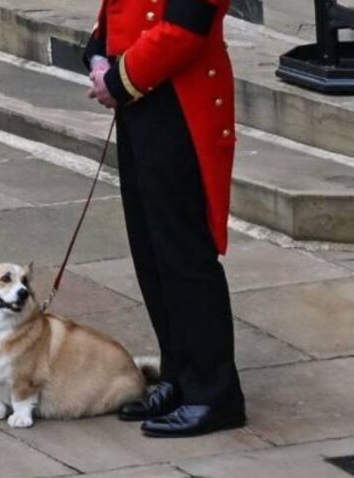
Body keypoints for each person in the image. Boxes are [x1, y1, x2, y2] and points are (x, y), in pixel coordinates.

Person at [84, 0, 246, 437]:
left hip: (180, 101)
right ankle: (179, 373)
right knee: (151, 249)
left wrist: (119, 78)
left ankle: (214, 393)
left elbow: (186, 27)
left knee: (184, 254)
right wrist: (100, 51)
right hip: (143, 97)